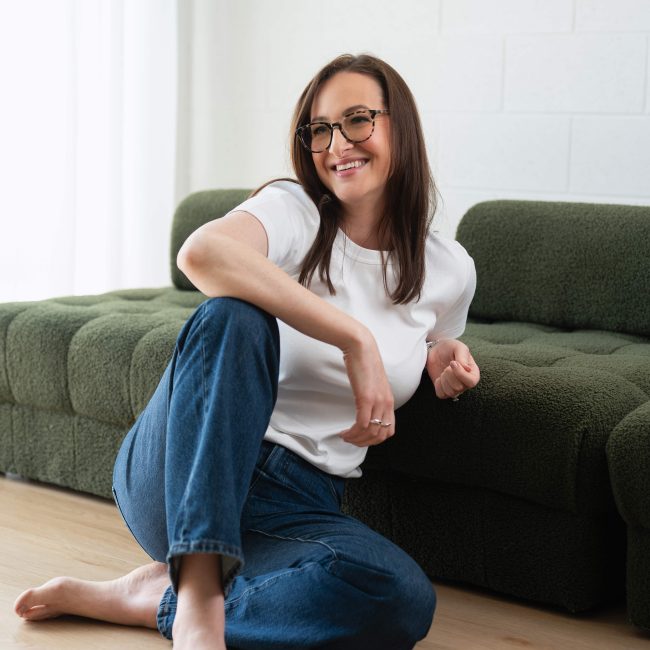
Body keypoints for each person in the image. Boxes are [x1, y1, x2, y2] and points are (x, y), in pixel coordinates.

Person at [13, 53, 479, 649]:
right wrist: (351, 338)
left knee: (399, 599)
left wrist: (440, 356)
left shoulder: (448, 269)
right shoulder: (293, 210)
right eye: (320, 129)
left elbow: (435, 333)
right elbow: (201, 254)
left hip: (297, 500)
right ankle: (200, 592)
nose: (338, 143)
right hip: (181, 472)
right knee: (233, 315)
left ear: (401, 129)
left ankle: (154, 598)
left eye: (359, 119)